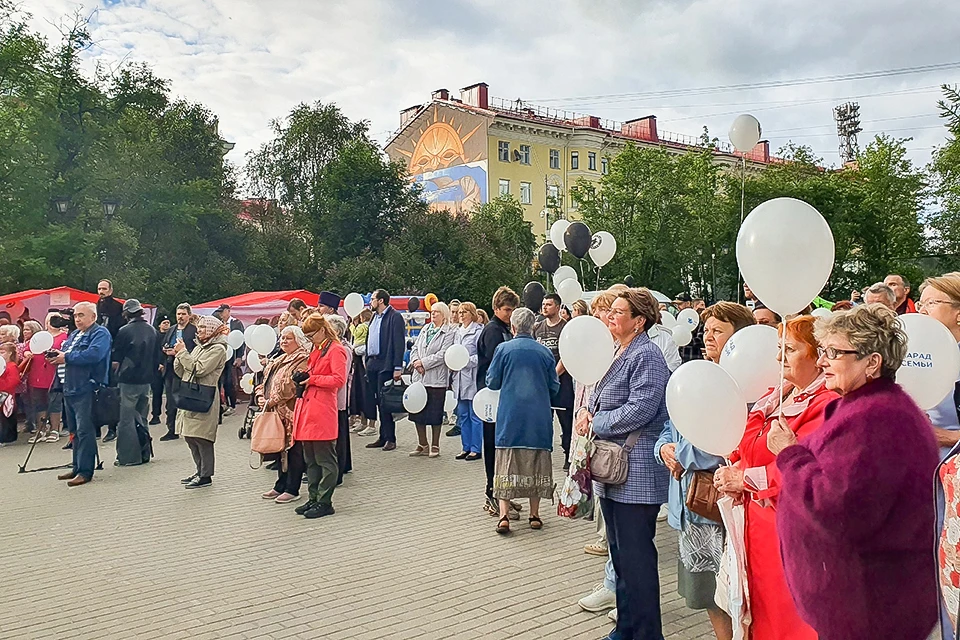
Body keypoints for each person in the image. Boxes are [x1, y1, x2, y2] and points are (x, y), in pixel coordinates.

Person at [775, 304, 938, 640]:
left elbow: (838, 510)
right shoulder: (872, 408)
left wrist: (789, 455)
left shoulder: (875, 419)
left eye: (833, 352)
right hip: (867, 602)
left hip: (868, 608)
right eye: (822, 351)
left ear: (872, 362)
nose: (821, 362)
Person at [713, 316, 839, 640]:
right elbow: (747, 443)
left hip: (794, 533)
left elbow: (812, 469)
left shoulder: (829, 403)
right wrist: (733, 467)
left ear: (817, 355)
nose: (780, 357)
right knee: (761, 613)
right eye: (779, 348)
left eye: (791, 349)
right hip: (757, 528)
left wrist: (745, 479)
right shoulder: (775, 395)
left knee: (793, 620)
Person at [574, 288, 671, 640]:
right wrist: (587, 410)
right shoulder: (618, 350)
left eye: (618, 312)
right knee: (621, 558)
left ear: (639, 321)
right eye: (610, 311)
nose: (611, 316)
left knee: (637, 560)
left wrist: (596, 421)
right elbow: (601, 396)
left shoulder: (647, 355)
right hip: (613, 470)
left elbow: (641, 408)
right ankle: (626, 628)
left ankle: (647, 633)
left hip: (636, 471)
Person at [486, 307, 559, 535]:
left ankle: (504, 516)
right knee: (537, 461)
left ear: (514, 327)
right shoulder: (545, 352)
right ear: (534, 326)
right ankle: (534, 514)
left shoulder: (503, 349)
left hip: (511, 414)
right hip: (538, 416)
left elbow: (492, 381)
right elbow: (554, 386)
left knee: (506, 461)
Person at [47, 302, 112, 485]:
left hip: (86, 388)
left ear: (93, 316)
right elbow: (66, 353)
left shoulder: (100, 333)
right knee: (74, 431)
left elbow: (94, 355)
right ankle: (76, 467)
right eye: (76, 316)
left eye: (82, 315)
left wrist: (65, 357)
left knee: (85, 431)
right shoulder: (74, 334)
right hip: (69, 388)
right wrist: (56, 355)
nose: (77, 319)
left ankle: (85, 471)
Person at [292, 313, 348, 519]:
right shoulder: (317, 349)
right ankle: (314, 497)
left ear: (323, 330)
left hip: (323, 409)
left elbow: (338, 379)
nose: (310, 339)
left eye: (311, 335)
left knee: (325, 459)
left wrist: (312, 379)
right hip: (309, 408)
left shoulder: (336, 350)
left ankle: (325, 500)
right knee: (311, 459)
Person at [256, 325, 310, 504]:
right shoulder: (280, 359)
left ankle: (292, 488)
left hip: (291, 412)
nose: (284, 341)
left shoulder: (303, 358)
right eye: (282, 338)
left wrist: (271, 400)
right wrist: (261, 397)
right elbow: (266, 381)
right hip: (275, 411)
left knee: (293, 450)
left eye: (289, 338)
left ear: (298, 340)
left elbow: (291, 386)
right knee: (280, 448)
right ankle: (280, 484)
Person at [477, 287, 519, 516]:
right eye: (505, 310)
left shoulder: (504, 329)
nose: (509, 314)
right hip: (491, 397)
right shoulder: (493, 331)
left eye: (512, 310)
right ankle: (492, 493)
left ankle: (503, 494)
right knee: (493, 446)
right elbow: (496, 365)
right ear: (496, 308)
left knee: (503, 446)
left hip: (502, 396)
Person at [173, 316, 228, 489]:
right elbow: (182, 370)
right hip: (190, 395)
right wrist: (178, 354)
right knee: (190, 436)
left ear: (212, 329)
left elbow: (199, 369)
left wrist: (183, 354)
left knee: (202, 438)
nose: (200, 330)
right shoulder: (199, 347)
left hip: (204, 397)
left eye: (204, 327)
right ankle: (199, 470)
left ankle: (206, 475)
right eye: (199, 327)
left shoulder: (218, 349)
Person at [110, 299, 158, 466]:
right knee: (142, 417)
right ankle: (145, 453)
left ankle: (128, 457)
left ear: (126, 313)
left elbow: (116, 359)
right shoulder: (152, 330)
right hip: (146, 379)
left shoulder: (124, 331)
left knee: (126, 419)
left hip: (128, 379)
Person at [918, 273, 960, 457]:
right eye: (920, 304)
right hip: (923, 468)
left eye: (931, 303)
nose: (921, 311)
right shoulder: (915, 355)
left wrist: (950, 436)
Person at [408, 302, 454, 458]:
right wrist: (415, 362)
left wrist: (424, 363)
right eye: (432, 312)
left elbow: (443, 354)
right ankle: (422, 444)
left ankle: (435, 444)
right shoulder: (425, 329)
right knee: (417, 412)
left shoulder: (448, 332)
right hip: (419, 378)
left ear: (444, 315)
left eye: (437, 312)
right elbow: (414, 348)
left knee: (435, 413)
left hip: (436, 378)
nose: (433, 314)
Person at [534, 293, 574, 468]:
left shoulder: (566, 328)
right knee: (542, 420)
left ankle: (568, 454)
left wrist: (554, 375)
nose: (545, 307)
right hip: (541, 384)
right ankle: (543, 455)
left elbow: (567, 356)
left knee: (566, 421)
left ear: (558, 307)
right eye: (543, 304)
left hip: (561, 383)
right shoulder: (538, 328)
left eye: (549, 304)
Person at [364, 289, 405, 451]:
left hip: (385, 364)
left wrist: (397, 368)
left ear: (381, 301)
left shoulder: (395, 317)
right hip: (373, 363)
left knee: (386, 401)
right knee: (377, 401)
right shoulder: (374, 317)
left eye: (373, 299)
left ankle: (390, 438)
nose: (370, 302)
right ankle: (382, 436)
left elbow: (398, 343)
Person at [451, 302, 484, 461]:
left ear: (472, 313)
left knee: (474, 414)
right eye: (459, 312)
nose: (461, 314)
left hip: (472, 376)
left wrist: (466, 361)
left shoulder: (478, 331)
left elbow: (481, 356)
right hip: (458, 377)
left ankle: (476, 448)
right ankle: (465, 446)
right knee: (462, 414)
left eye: (464, 312)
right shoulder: (456, 332)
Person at [160, 304, 197, 441]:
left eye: (183, 314)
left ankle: (189, 428)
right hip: (170, 368)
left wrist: (181, 352)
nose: (180, 317)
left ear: (189, 315)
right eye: (178, 314)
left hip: (186, 368)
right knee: (170, 400)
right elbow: (163, 344)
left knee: (186, 398)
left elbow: (196, 349)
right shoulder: (171, 330)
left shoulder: (194, 330)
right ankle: (171, 429)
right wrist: (166, 351)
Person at [325, 313, 354, 484]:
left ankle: (339, 470)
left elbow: (340, 377)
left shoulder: (343, 349)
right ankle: (343, 465)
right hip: (333, 398)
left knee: (339, 435)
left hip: (338, 398)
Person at [351, 309, 377, 435]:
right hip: (359, 365)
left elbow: (370, 347)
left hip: (367, 365)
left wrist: (356, 350)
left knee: (368, 395)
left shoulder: (369, 328)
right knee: (360, 393)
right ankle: (363, 421)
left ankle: (371, 424)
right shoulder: (361, 328)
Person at [216, 304, 244, 416]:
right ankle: (223, 403)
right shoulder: (219, 324)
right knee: (220, 381)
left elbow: (241, 340)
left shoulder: (236, 323)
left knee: (229, 381)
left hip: (232, 355)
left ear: (228, 311)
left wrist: (239, 356)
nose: (221, 314)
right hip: (221, 354)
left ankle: (232, 404)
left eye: (222, 312)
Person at [150, 316, 170, 424]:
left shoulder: (172, 335)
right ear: (159, 325)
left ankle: (170, 414)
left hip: (169, 366)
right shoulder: (155, 336)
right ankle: (155, 415)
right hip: (157, 368)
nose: (166, 324)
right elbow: (154, 351)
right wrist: (158, 363)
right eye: (164, 322)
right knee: (157, 392)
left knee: (170, 392)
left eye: (168, 322)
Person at [0, 342, 20, 445]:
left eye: (3, 352)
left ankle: (8, 438)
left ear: (10, 353)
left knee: (7, 417)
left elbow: (13, 381)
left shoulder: (11, 366)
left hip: (7, 396)